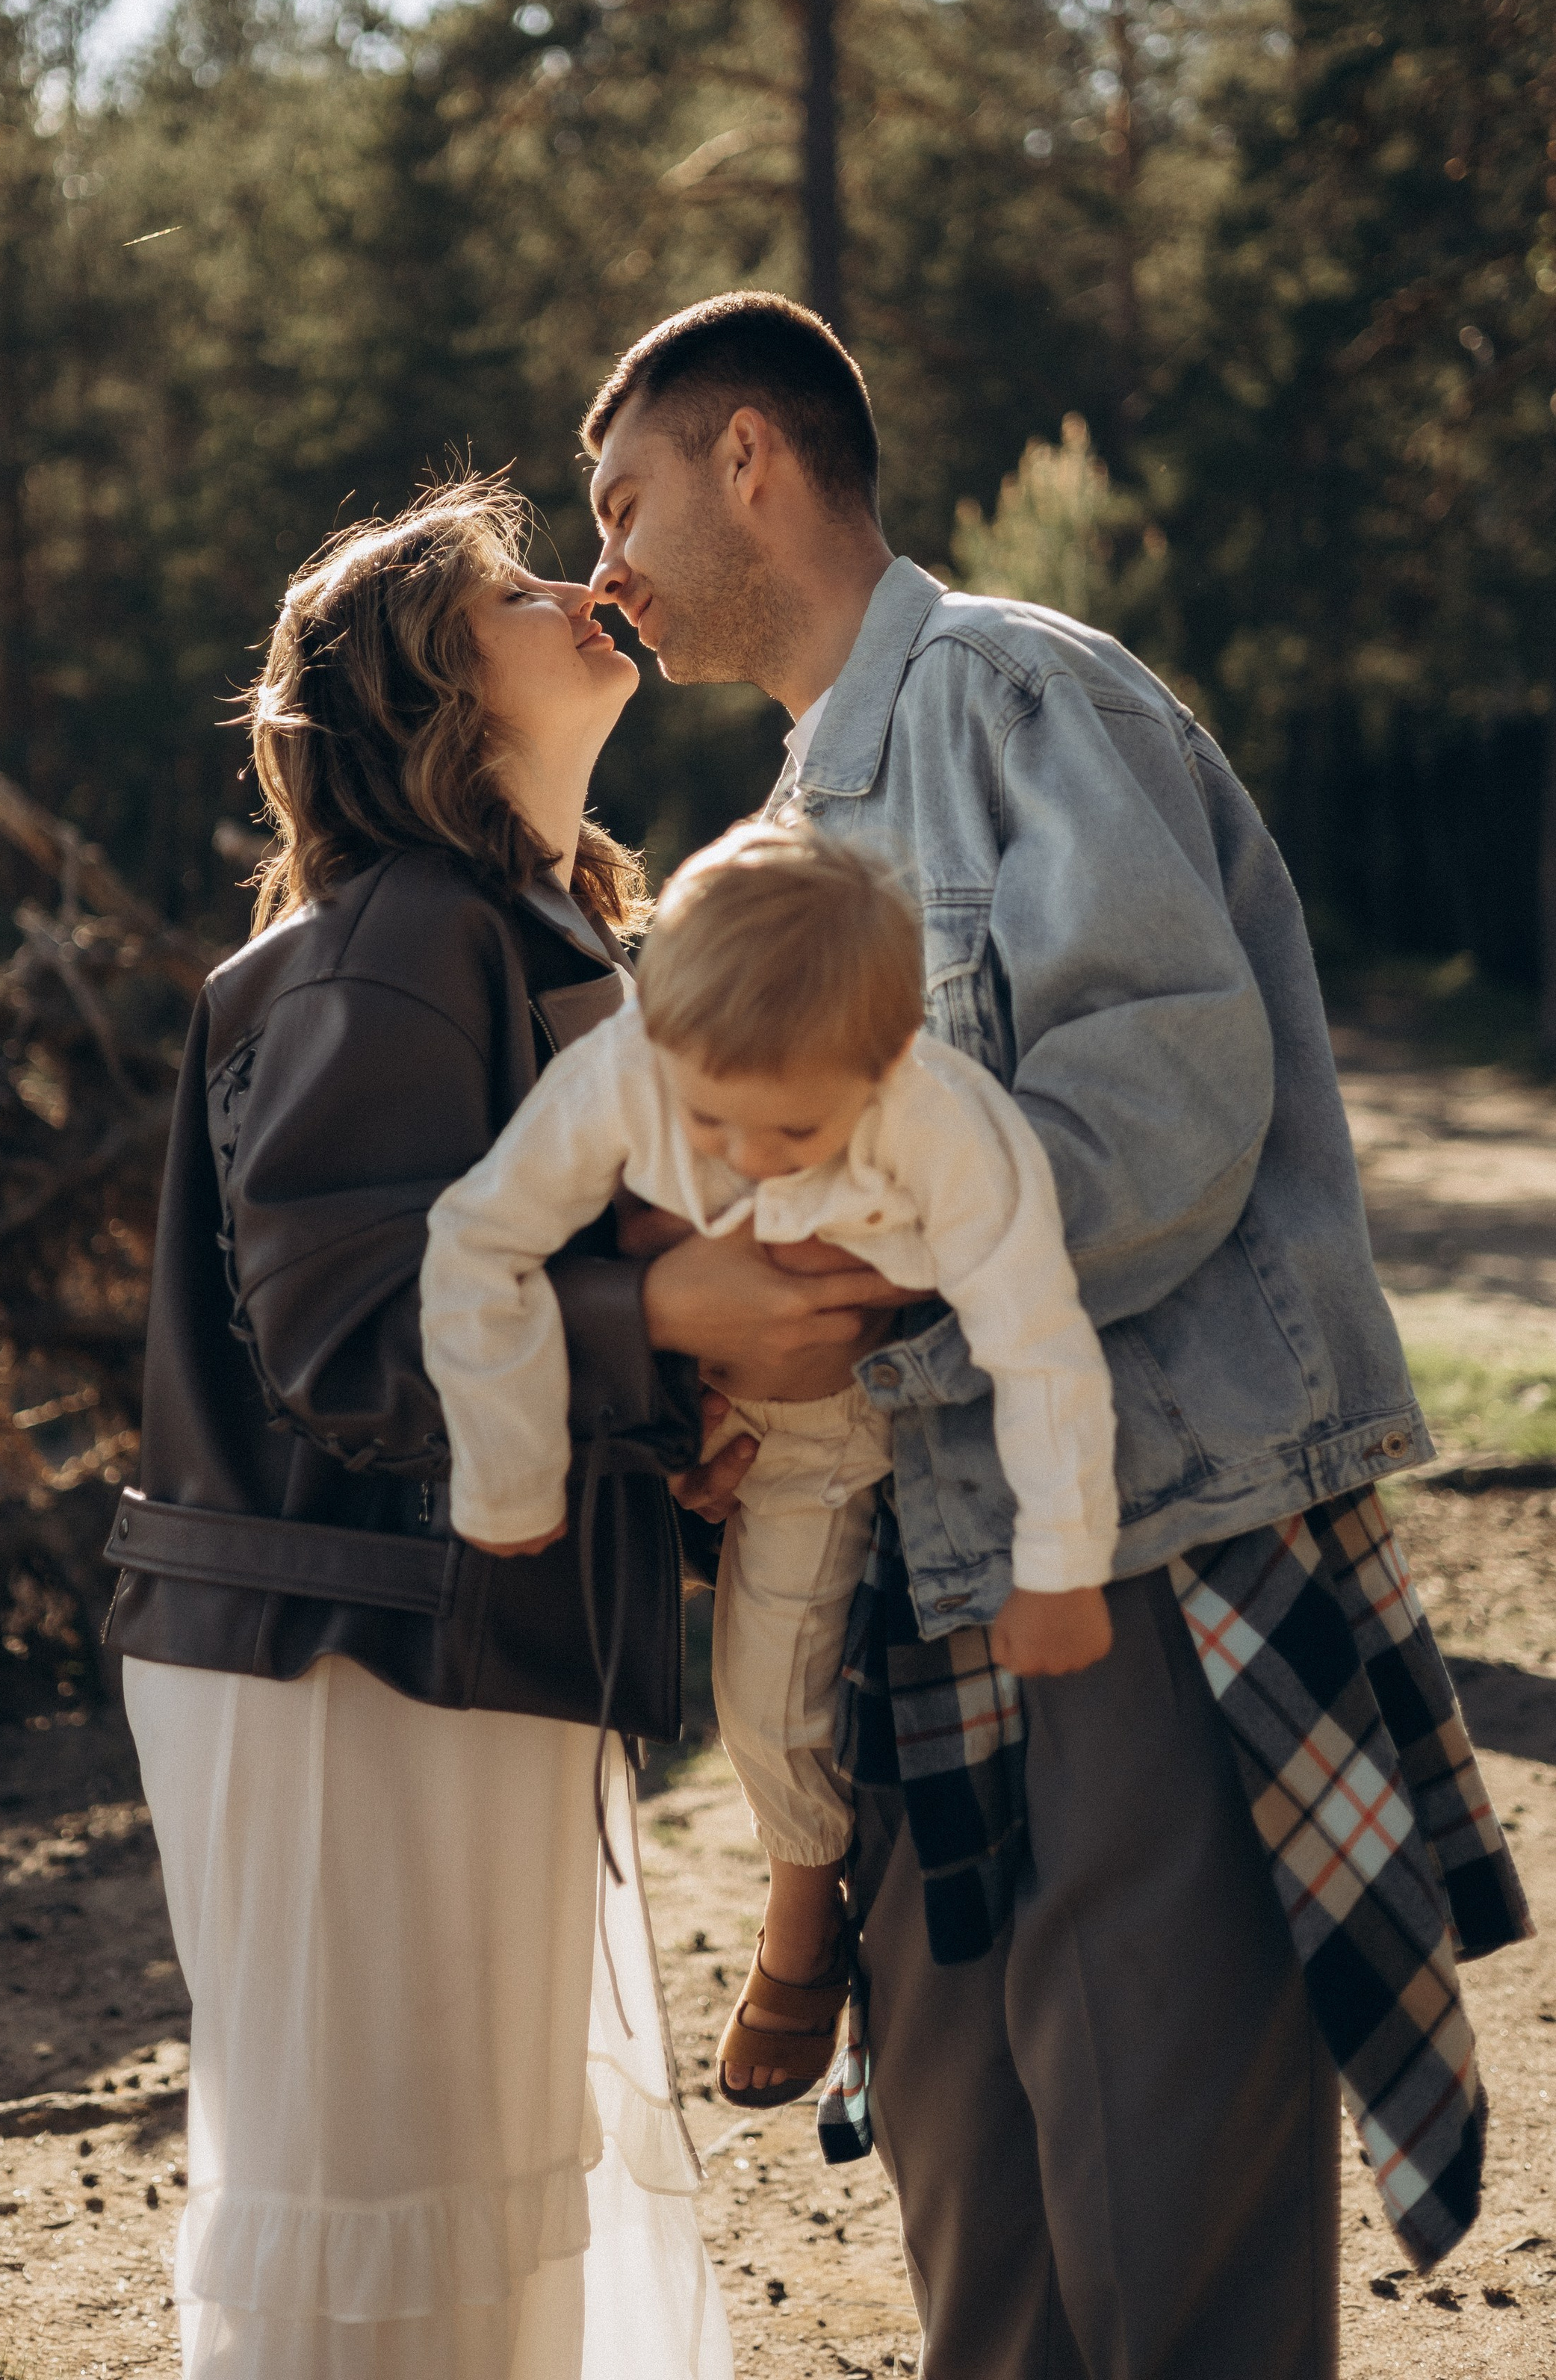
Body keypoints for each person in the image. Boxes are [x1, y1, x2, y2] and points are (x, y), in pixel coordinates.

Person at [574, 291, 1531, 2380]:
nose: (605, 566)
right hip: (910, 1591)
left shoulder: (1015, 693)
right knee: (979, 2222)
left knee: (1162, 2217)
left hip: (1137, 1559)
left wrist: (858, 1292)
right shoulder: (789, 820)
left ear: (755, 457)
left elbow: (1169, 1091)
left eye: (622, 497)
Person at [102, 483, 746, 2380]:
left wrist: (664, 1427)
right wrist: (668, 1325)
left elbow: (505, 1306)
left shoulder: (525, 923)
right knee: (388, 2203)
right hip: (341, 1665)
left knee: (472, 2184)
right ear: (422, 693)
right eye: (512, 586)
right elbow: (354, 1337)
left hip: (442, 1645)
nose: (576, 588)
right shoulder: (392, 939)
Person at [419, 819, 1118, 2109]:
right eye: (707, 1117)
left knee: (759, 1692)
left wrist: (1060, 1566)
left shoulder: (944, 1124)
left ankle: (805, 1910)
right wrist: (512, 1474)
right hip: (670, 1381)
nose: (740, 1157)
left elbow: (1040, 1340)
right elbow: (477, 1245)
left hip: (848, 1409)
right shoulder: (625, 1072)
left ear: (889, 1065)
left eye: (790, 1131)